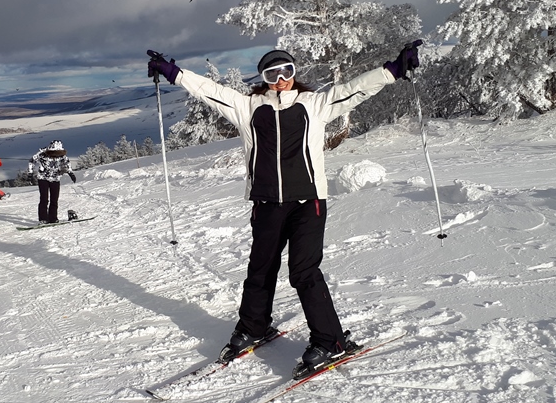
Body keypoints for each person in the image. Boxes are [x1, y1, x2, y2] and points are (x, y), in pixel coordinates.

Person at [147, 42, 421, 378]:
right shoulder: (248, 107)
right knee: (260, 270)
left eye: (287, 71)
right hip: (266, 204)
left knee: (304, 272)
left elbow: (354, 91)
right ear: (263, 78)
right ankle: (254, 327)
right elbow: (209, 91)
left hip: (308, 203)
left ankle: (330, 340)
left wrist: (392, 69)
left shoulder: (314, 104)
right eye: (272, 73)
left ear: (294, 72)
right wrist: (174, 73)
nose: (281, 79)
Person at [28, 139, 76, 223]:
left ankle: (53, 218)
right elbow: (31, 161)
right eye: (55, 153)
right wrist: (30, 173)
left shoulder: (62, 155)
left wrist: (70, 173)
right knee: (44, 199)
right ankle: (43, 219)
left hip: (55, 178)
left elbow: (67, 163)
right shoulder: (42, 153)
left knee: (54, 199)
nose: (56, 155)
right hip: (42, 178)